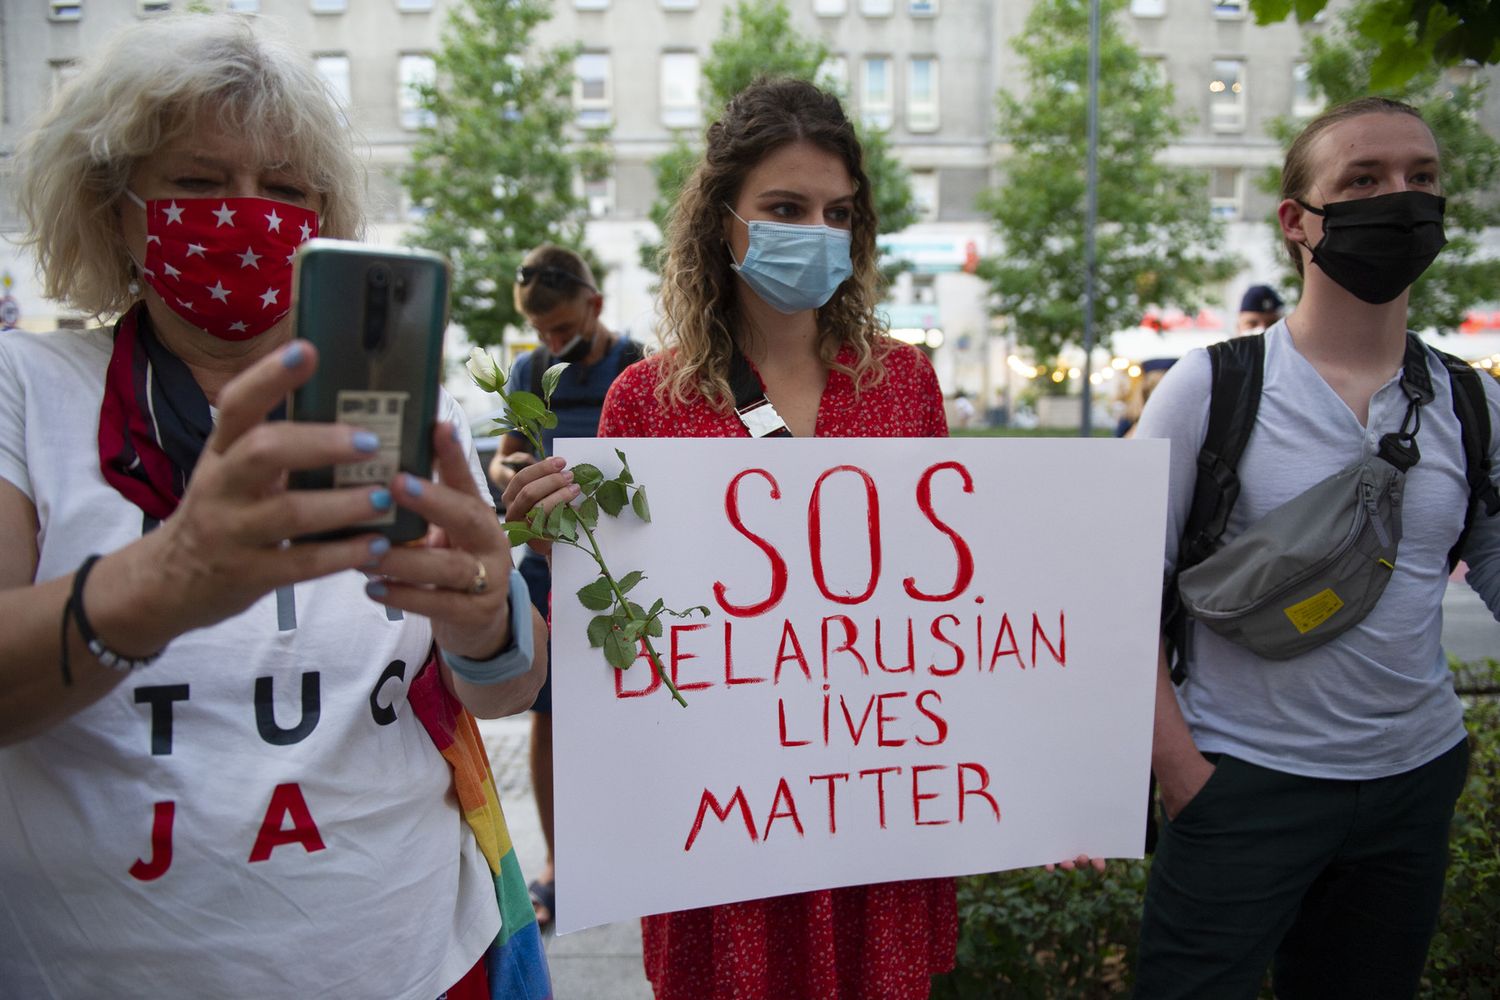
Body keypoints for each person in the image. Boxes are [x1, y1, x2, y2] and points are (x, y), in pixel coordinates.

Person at [503, 77, 1100, 1000]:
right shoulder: (647, 404)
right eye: (785, 207)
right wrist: (568, 552)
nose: (815, 231)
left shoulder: (903, 385)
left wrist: (1042, 782)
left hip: (875, 817)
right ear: (724, 219)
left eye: (837, 211)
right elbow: (633, 642)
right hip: (727, 831)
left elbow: (953, 611)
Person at [0, 16, 548, 998]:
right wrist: (168, 579)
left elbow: (505, 688)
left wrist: (487, 621)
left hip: (417, 960)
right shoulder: (22, 386)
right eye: (199, 184)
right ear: (116, 207)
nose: (246, 214)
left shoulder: (407, 404)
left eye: (287, 190)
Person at [1133, 96, 1499, 999]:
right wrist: (1184, 776)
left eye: (1422, 180)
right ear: (1298, 222)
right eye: (1363, 181)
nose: (1401, 199)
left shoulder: (1472, 403)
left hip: (1413, 782)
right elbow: (1118, 593)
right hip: (1242, 784)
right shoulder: (1210, 389)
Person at [486, 244, 641, 929]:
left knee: (629, 712)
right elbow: (504, 459)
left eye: (559, 328)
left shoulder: (634, 365)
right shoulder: (529, 369)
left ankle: (631, 848)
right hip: (549, 562)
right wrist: (511, 480)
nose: (551, 342)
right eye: (541, 332)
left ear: (595, 305)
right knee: (548, 717)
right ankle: (557, 861)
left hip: (624, 569)